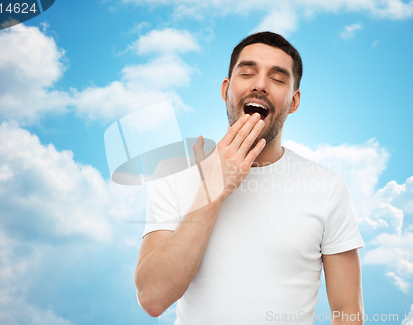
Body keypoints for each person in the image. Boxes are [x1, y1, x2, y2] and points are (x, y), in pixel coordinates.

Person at [134, 31, 365, 325]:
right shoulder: (174, 175)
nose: (260, 84)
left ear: (293, 102)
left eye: (278, 78)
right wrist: (214, 188)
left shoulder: (328, 188)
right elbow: (152, 298)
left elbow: (349, 314)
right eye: (247, 73)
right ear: (226, 89)